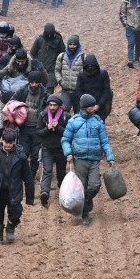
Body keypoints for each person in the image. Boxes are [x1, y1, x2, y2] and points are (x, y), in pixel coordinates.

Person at [61, 94, 116, 225]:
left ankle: (87, 200)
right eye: (91, 106)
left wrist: (110, 156)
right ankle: (84, 212)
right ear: (85, 107)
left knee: (94, 185)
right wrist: (68, 153)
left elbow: (104, 141)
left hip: (94, 158)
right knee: (82, 187)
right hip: (79, 159)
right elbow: (65, 140)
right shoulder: (73, 122)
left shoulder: (98, 122)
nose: (94, 108)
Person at [0, 129, 35, 245]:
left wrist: (30, 197)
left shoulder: (21, 156)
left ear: (14, 142)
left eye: (10, 143)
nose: (8, 145)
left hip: (14, 190)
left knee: (16, 212)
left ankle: (10, 227)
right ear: (2, 140)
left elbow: (28, 177)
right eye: (6, 142)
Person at [36, 94, 68, 207]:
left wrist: (58, 127)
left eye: (55, 105)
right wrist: (47, 129)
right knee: (47, 171)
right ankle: (44, 192)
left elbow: (68, 133)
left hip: (61, 149)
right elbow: (38, 132)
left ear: (59, 106)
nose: (52, 107)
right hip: (47, 149)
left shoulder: (65, 116)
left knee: (61, 173)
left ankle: (64, 194)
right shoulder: (43, 115)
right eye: (50, 105)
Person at [53, 34, 86, 113]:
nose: (72, 46)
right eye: (70, 44)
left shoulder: (83, 57)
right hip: (65, 90)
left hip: (78, 91)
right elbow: (57, 70)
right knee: (63, 112)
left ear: (77, 45)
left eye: (74, 44)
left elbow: (86, 72)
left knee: (79, 113)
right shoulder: (62, 56)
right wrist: (60, 81)